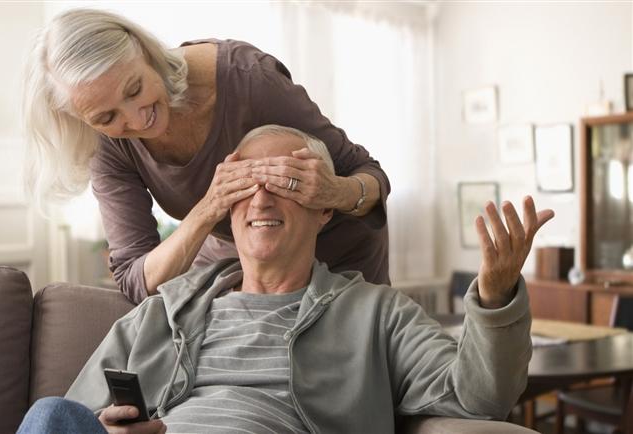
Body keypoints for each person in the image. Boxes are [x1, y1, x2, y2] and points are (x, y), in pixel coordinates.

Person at [17, 125, 554, 434]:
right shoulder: (166, 309)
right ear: (228, 209)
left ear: (323, 209)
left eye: (286, 181)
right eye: (247, 183)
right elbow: (80, 412)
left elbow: (478, 399)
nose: (262, 198)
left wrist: (495, 295)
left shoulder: (376, 313)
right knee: (47, 417)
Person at [23, 8, 391, 304]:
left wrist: (335, 192)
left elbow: (367, 174)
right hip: (241, 260)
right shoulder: (108, 147)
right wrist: (208, 208)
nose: (135, 119)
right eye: (106, 117)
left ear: (142, 50)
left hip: (341, 254)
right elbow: (136, 279)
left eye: (134, 89)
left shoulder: (249, 80)